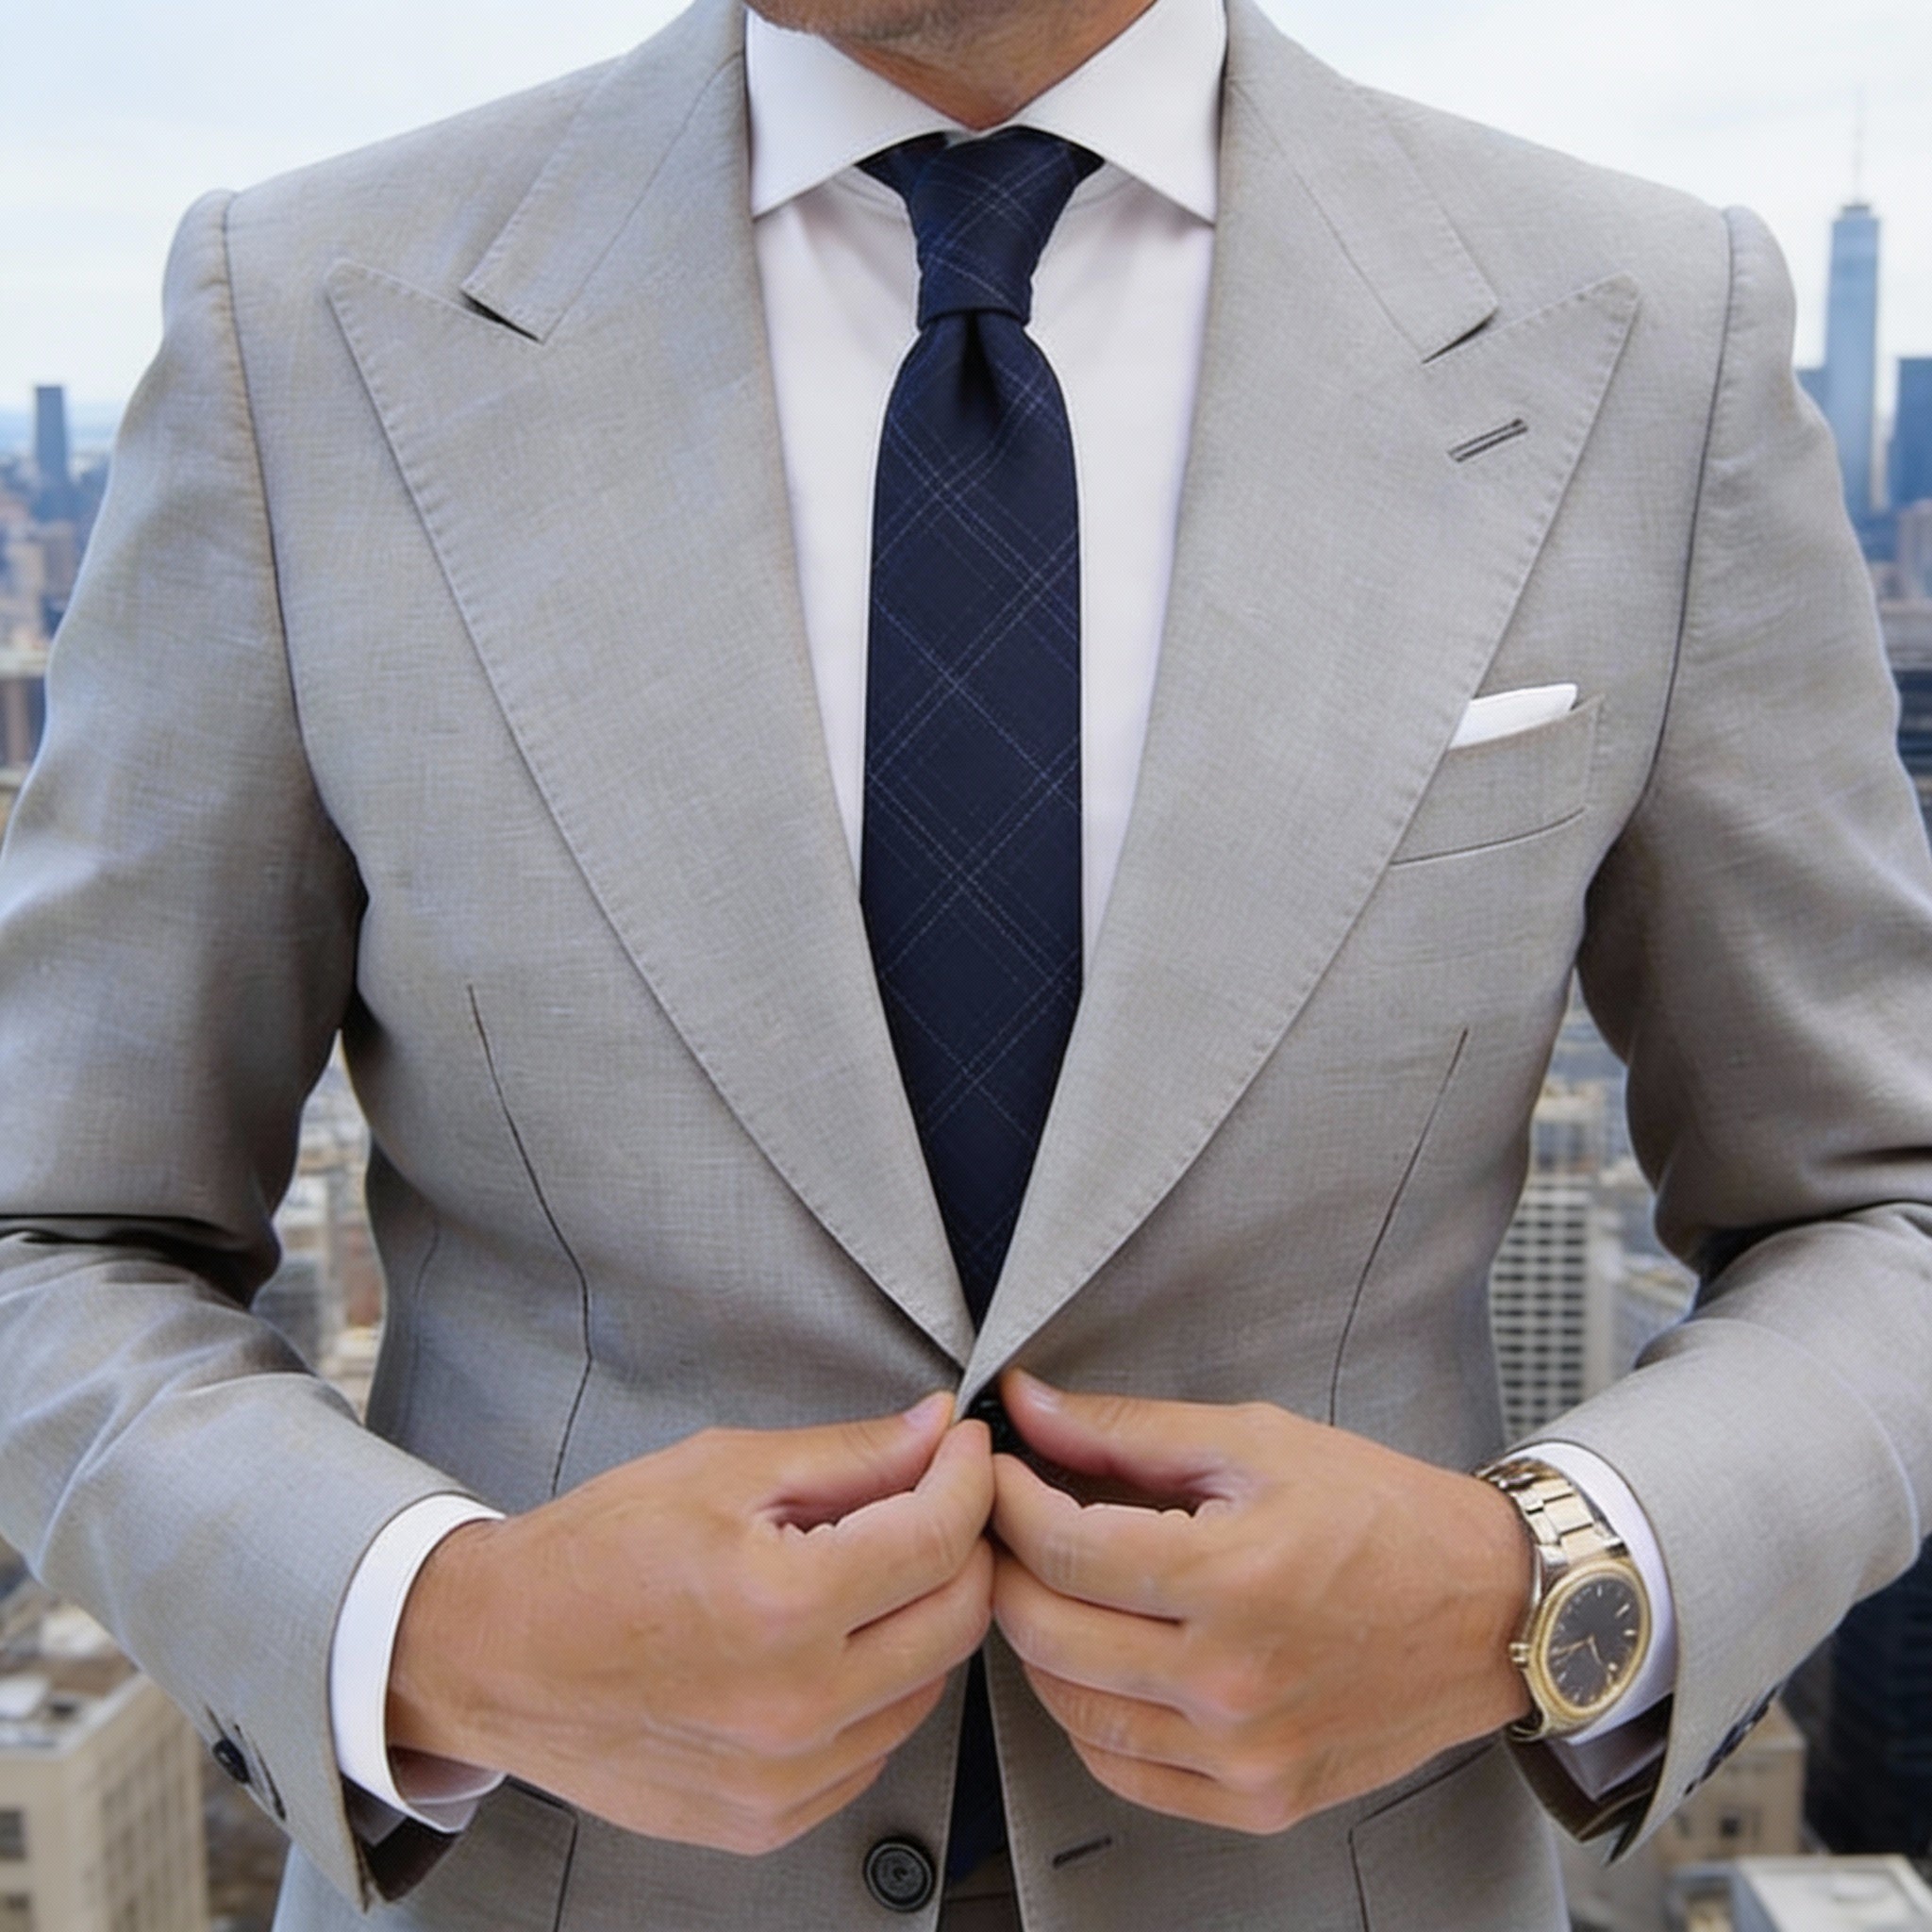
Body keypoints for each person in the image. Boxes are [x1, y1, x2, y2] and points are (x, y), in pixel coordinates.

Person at [0, 0, 1928, 1924]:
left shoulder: (1648, 332)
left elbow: (1880, 1206)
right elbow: (55, 1233)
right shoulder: (305, 319)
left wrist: (1538, 1591)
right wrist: (446, 1628)